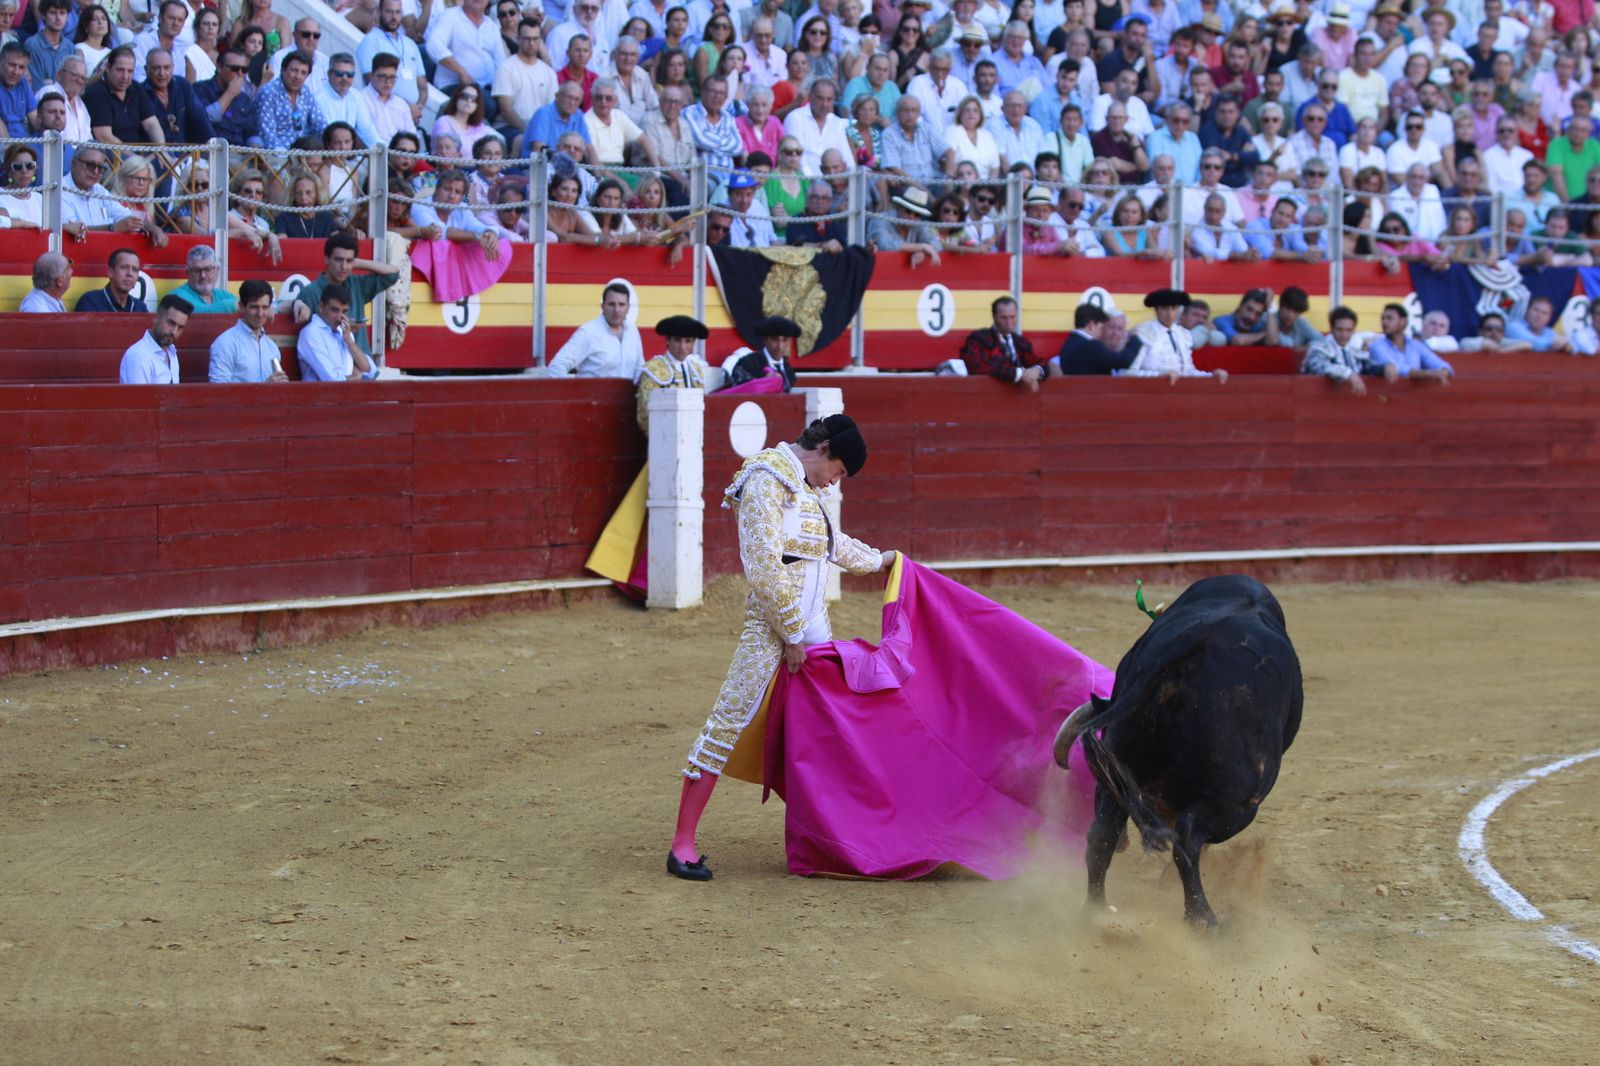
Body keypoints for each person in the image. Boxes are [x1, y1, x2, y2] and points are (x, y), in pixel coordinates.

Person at [669, 414, 892, 881]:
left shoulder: (807, 488)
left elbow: (833, 543)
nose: (836, 481)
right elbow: (764, 567)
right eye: (840, 470)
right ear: (824, 448)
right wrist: (792, 635)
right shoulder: (765, 478)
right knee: (729, 719)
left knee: (827, 728)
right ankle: (682, 844)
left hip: (813, 626)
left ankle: (836, 835)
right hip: (772, 629)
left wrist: (881, 562)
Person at [292, 233, 402, 358]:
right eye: (338, 260)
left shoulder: (357, 284)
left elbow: (393, 274)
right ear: (326, 259)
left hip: (364, 367)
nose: (344, 267)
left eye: (349, 261)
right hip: (331, 367)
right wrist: (297, 303)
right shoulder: (311, 292)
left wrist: (358, 262)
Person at [548, 282, 645, 379]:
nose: (617, 310)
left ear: (628, 308)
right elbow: (556, 367)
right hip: (593, 394)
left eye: (622, 304)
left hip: (626, 394)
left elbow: (640, 366)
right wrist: (571, 393)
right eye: (611, 304)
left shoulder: (632, 330)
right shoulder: (588, 332)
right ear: (602, 307)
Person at [1127, 288, 1226, 381]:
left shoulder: (1183, 334)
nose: (1169, 313)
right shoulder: (1143, 332)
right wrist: (1158, 376)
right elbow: (1128, 372)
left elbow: (1188, 372)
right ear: (1156, 310)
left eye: (1173, 308)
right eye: (1164, 308)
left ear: (1179, 310)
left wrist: (1211, 376)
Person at [636, 314, 711, 430]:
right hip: (663, 437)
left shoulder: (696, 371)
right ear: (667, 340)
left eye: (688, 341)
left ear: (694, 342)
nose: (682, 347)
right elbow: (644, 414)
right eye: (677, 340)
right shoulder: (654, 370)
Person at [209, 279, 288, 383]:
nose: (260, 313)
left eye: (265, 307)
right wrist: (265, 388)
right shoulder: (225, 344)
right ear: (242, 307)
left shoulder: (272, 347)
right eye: (254, 307)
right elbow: (218, 393)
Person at [959, 296, 1045, 389]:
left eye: (1012, 317)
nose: (1008, 323)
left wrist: (1037, 370)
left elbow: (1039, 362)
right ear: (994, 317)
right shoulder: (979, 339)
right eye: (1003, 318)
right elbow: (979, 366)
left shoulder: (1020, 342)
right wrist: (1020, 373)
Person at [298, 283, 379, 381]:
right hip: (320, 395)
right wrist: (355, 377)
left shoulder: (344, 332)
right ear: (321, 307)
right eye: (334, 310)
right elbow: (331, 380)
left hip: (346, 393)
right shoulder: (311, 333)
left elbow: (371, 371)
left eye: (344, 311)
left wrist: (349, 341)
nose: (339, 317)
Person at [1366, 302, 1453, 382]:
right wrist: (1429, 374)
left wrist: (1443, 371)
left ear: (1402, 321)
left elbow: (1441, 364)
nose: (1384, 322)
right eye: (1383, 318)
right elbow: (1397, 369)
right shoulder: (1377, 345)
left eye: (1389, 318)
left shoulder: (1415, 345)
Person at [257, 48, 325, 149]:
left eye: (303, 73)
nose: (298, 76)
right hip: (275, 155)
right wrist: (289, 159)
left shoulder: (305, 92)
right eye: (294, 70)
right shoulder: (269, 93)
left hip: (303, 152)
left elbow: (320, 123)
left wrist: (332, 141)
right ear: (283, 70)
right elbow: (267, 136)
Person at [119, 294, 193, 384]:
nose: (174, 332)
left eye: (180, 327)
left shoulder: (172, 352)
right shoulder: (138, 356)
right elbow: (137, 397)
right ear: (156, 318)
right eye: (171, 323)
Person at [1302, 305, 1375, 394]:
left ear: (1353, 331)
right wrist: (1349, 374)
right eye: (1340, 330)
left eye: (1348, 330)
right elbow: (1319, 366)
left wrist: (1384, 368)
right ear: (1332, 329)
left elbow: (1369, 366)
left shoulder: (1354, 352)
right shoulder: (1318, 348)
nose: (1344, 335)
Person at [726, 316, 804, 391]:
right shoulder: (747, 364)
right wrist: (763, 382)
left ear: (790, 341)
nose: (780, 346)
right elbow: (737, 394)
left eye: (785, 340)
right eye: (774, 340)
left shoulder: (788, 370)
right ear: (765, 339)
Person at [1055, 301, 1132, 374]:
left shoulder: (1069, 344)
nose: (1101, 332)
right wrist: (1137, 339)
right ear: (1091, 325)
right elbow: (1125, 361)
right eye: (1101, 327)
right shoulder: (1092, 346)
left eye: (1120, 329)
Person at [76, 247, 148, 313]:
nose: (130, 274)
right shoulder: (90, 302)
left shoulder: (140, 308)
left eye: (135, 270)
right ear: (110, 272)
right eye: (124, 267)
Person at [170, 245, 238, 314]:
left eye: (208, 269)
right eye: (197, 270)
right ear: (188, 272)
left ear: (217, 270)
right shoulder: (177, 296)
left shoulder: (222, 295)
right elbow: (203, 312)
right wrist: (234, 305)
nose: (203, 276)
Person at [786, 180, 848, 249]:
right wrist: (822, 245)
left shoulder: (835, 220)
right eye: (815, 197)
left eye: (824, 198)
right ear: (807, 199)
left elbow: (843, 246)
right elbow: (794, 246)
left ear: (830, 202)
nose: (820, 201)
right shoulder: (796, 221)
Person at [1213, 287, 1278, 346]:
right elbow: (1237, 341)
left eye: (1258, 314)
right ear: (1240, 306)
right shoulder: (1221, 321)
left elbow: (1272, 341)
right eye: (1249, 309)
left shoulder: (1257, 326)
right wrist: (1265, 333)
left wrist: (1269, 307)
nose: (1251, 317)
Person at [1505, 296, 1571, 353]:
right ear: (1527, 310)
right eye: (1536, 310)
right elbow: (1535, 344)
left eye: (1545, 313)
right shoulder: (1513, 327)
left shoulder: (1549, 332)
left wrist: (1565, 343)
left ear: (1549, 318)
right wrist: (1557, 344)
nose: (1539, 315)